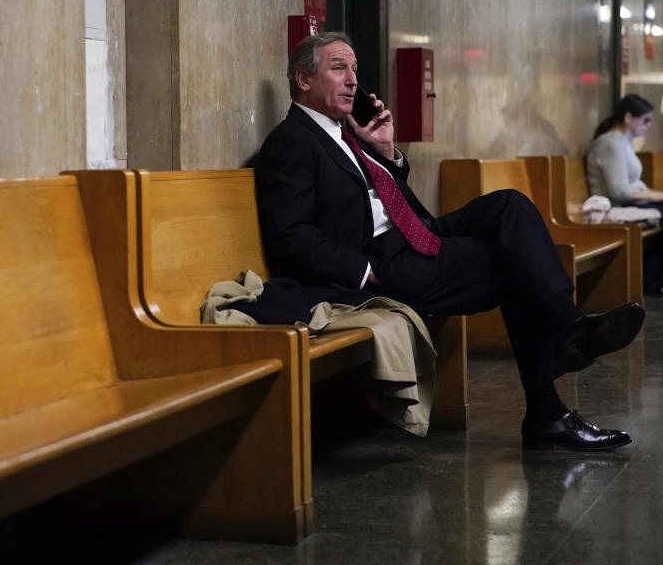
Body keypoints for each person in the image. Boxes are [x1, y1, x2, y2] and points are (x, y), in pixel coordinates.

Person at [255, 31, 644, 451]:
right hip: (381, 261)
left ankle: (565, 334)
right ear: (303, 80)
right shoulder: (292, 140)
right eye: (338, 68)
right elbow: (290, 235)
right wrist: (363, 270)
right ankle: (551, 398)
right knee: (516, 265)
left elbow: (381, 196)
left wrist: (387, 152)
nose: (353, 80)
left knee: (509, 205)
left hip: (414, 234)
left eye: (354, 69)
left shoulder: (346, 134)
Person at [585, 94, 663, 292]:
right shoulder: (611, 144)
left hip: (630, 201)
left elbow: (635, 185)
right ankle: (651, 279)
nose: (648, 125)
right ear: (629, 117)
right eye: (645, 120)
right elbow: (619, 191)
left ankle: (652, 276)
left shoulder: (623, 142)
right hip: (617, 205)